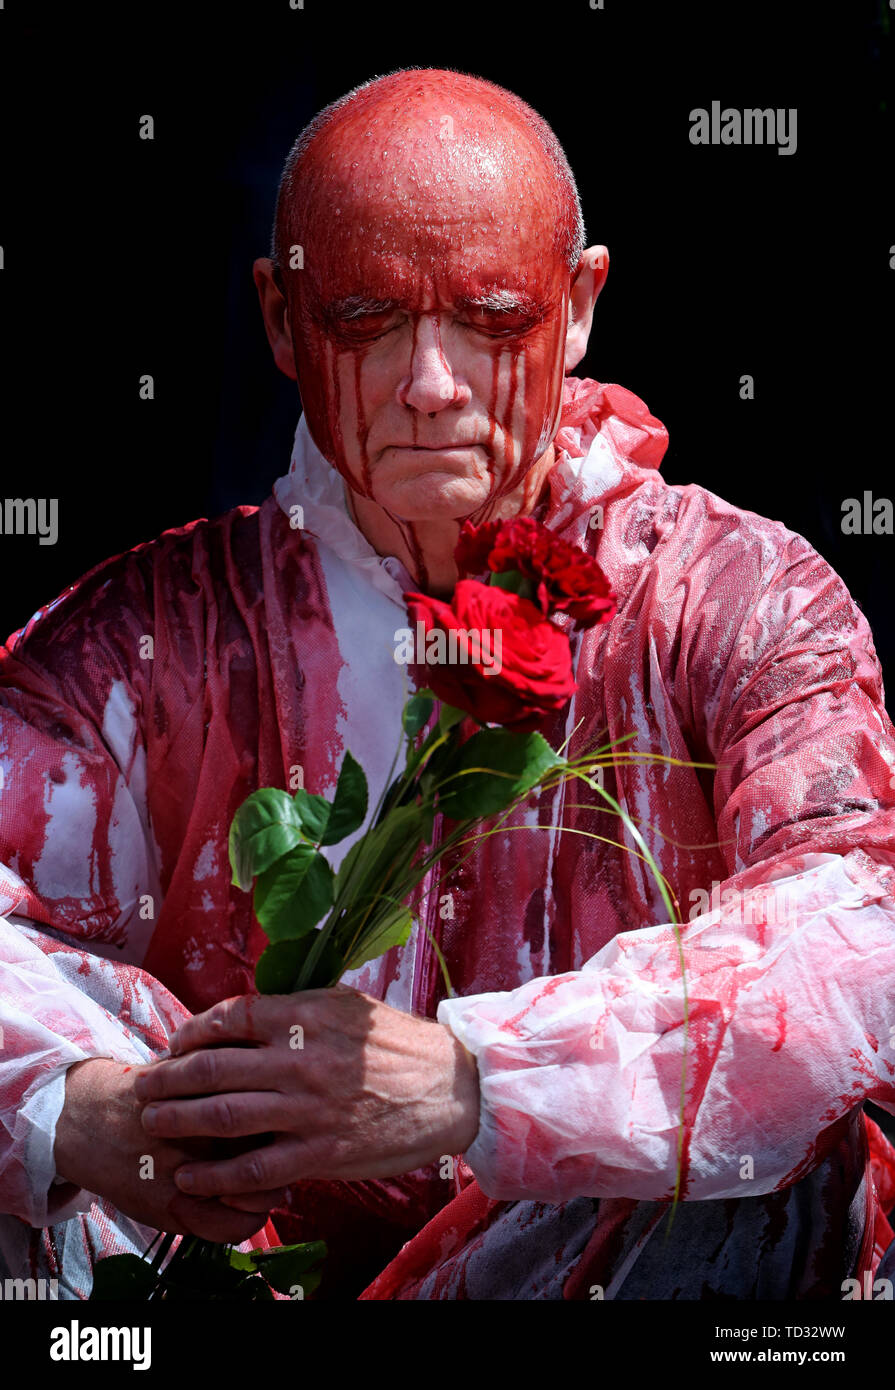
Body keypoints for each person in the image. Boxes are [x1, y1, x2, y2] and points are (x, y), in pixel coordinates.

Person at [1, 67, 894, 1301]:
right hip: (247, 1274)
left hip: (605, 1268)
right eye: (366, 319)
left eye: (490, 317)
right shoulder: (148, 638)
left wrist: (478, 1082)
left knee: (771, 1152)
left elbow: (861, 938)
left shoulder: (738, 594)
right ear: (280, 319)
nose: (431, 384)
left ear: (580, 306)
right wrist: (78, 1110)